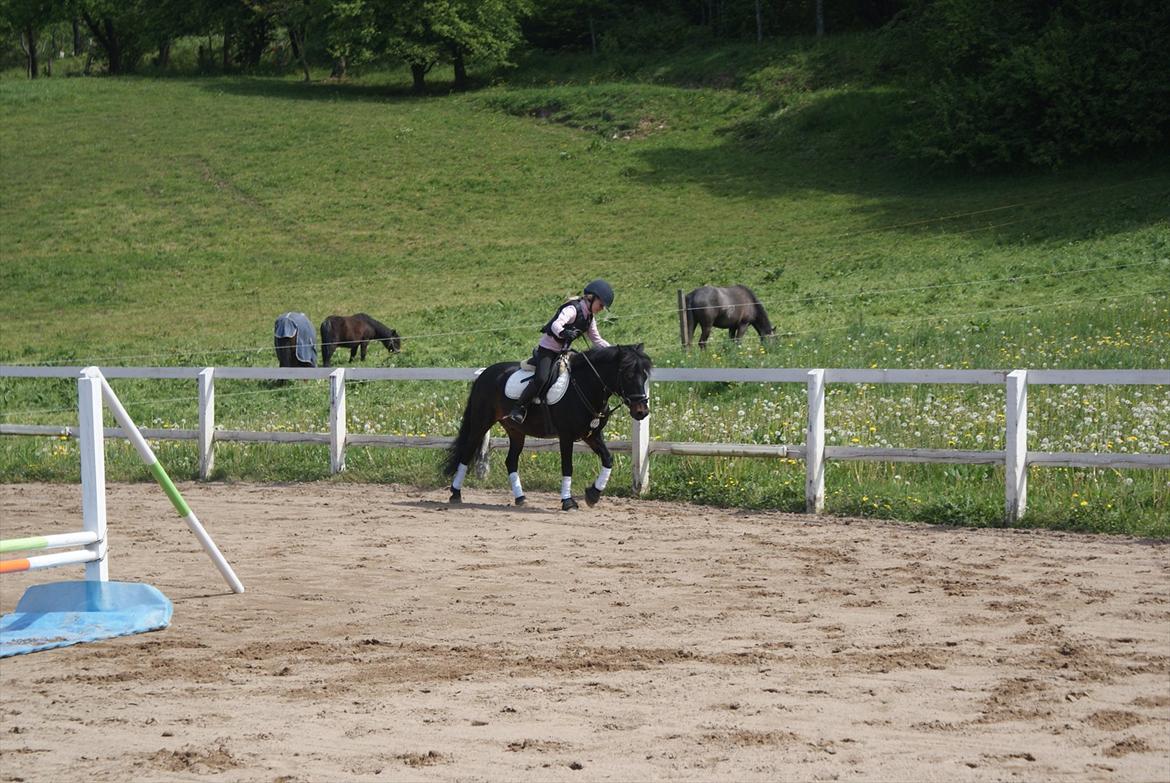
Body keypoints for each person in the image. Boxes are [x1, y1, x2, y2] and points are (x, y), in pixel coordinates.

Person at [508, 279, 614, 423]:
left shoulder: (589, 318)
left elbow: (597, 340)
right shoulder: (572, 309)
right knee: (542, 378)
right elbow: (556, 325)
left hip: (564, 352)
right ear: (591, 298)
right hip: (548, 350)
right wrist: (563, 333)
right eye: (601, 305)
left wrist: (615, 350)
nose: (601, 309)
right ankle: (519, 407)